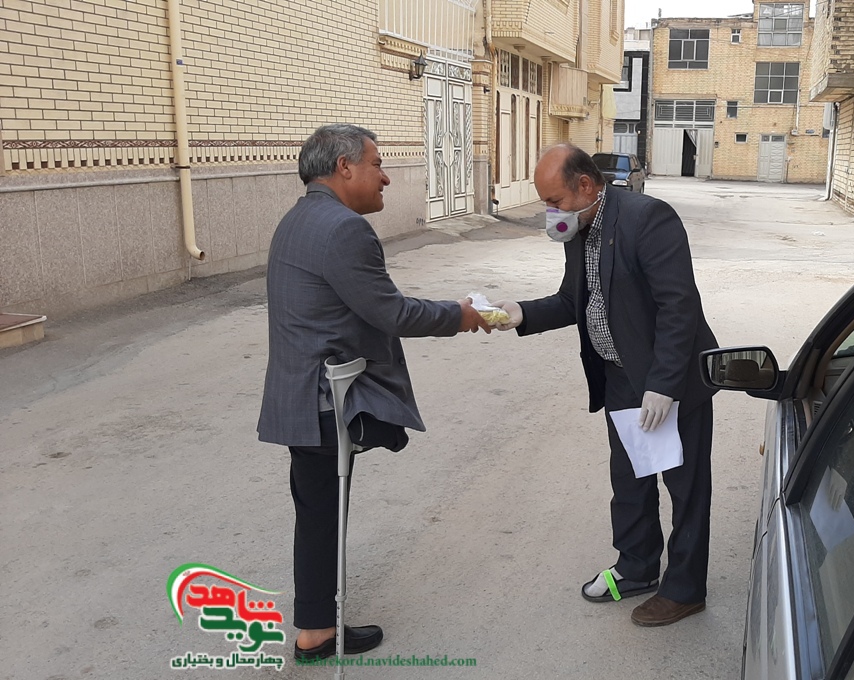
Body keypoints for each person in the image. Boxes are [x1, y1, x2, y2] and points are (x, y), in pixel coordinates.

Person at [257, 124, 490, 660]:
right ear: (344, 167)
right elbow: (392, 312)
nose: (385, 177)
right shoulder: (344, 228)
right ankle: (317, 631)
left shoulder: (297, 218)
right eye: (377, 164)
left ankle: (315, 627)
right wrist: (459, 314)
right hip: (326, 400)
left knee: (317, 513)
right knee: (322, 513)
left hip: (298, 395)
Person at [492, 144, 719, 627]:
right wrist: (522, 313)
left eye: (555, 201)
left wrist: (663, 384)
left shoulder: (648, 219)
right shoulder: (579, 228)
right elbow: (574, 299)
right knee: (630, 479)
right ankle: (637, 567)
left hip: (671, 382)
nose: (551, 213)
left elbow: (679, 306)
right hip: (620, 376)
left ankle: (684, 590)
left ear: (586, 186)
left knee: (685, 487)